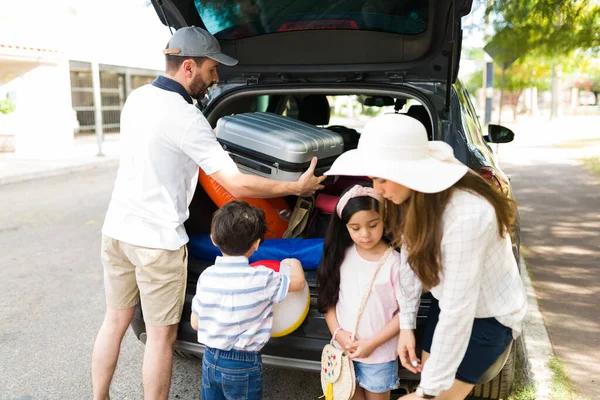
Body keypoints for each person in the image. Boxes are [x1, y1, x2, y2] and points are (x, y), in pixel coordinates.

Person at [92, 26, 324, 400]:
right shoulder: (186, 117)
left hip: (117, 230)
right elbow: (238, 185)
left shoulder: (137, 98)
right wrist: (296, 188)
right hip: (158, 243)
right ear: (188, 67)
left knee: (114, 321)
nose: (216, 79)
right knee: (160, 336)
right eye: (212, 70)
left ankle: (98, 396)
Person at [324, 113, 527, 400]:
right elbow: (410, 258)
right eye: (373, 179)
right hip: (446, 307)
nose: (377, 190)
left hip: (487, 317)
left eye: (382, 180)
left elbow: (460, 310)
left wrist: (428, 394)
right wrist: (406, 325)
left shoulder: (467, 216)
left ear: (408, 172)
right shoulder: (410, 197)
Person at [190, 200, 307, 399]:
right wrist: (293, 261)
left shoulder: (206, 276)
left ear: (213, 239)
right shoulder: (262, 278)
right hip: (242, 364)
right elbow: (298, 284)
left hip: (210, 359)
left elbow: (195, 323)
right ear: (257, 244)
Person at [316, 184, 421, 400]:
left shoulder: (395, 264)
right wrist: (338, 334)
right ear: (344, 227)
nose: (365, 234)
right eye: (355, 228)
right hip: (343, 352)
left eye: (373, 225)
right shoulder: (340, 256)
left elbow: (405, 312)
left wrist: (371, 344)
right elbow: (329, 301)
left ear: (384, 219)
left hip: (379, 357)